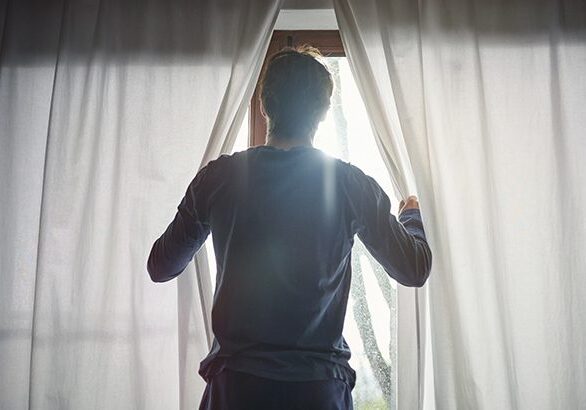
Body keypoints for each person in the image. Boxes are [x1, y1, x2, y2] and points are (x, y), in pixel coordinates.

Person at [147, 46, 432, 410]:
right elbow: (414, 269)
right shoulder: (350, 184)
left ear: (265, 105)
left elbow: (161, 266)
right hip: (317, 391)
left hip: (237, 390)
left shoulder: (218, 179)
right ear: (324, 112)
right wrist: (412, 215)